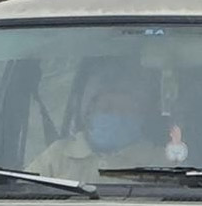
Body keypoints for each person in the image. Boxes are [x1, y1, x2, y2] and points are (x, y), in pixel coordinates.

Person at [27, 63, 163, 182]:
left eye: (124, 110)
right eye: (107, 108)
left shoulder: (159, 162)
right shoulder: (58, 156)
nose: (115, 116)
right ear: (89, 112)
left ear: (141, 115)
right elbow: (23, 189)